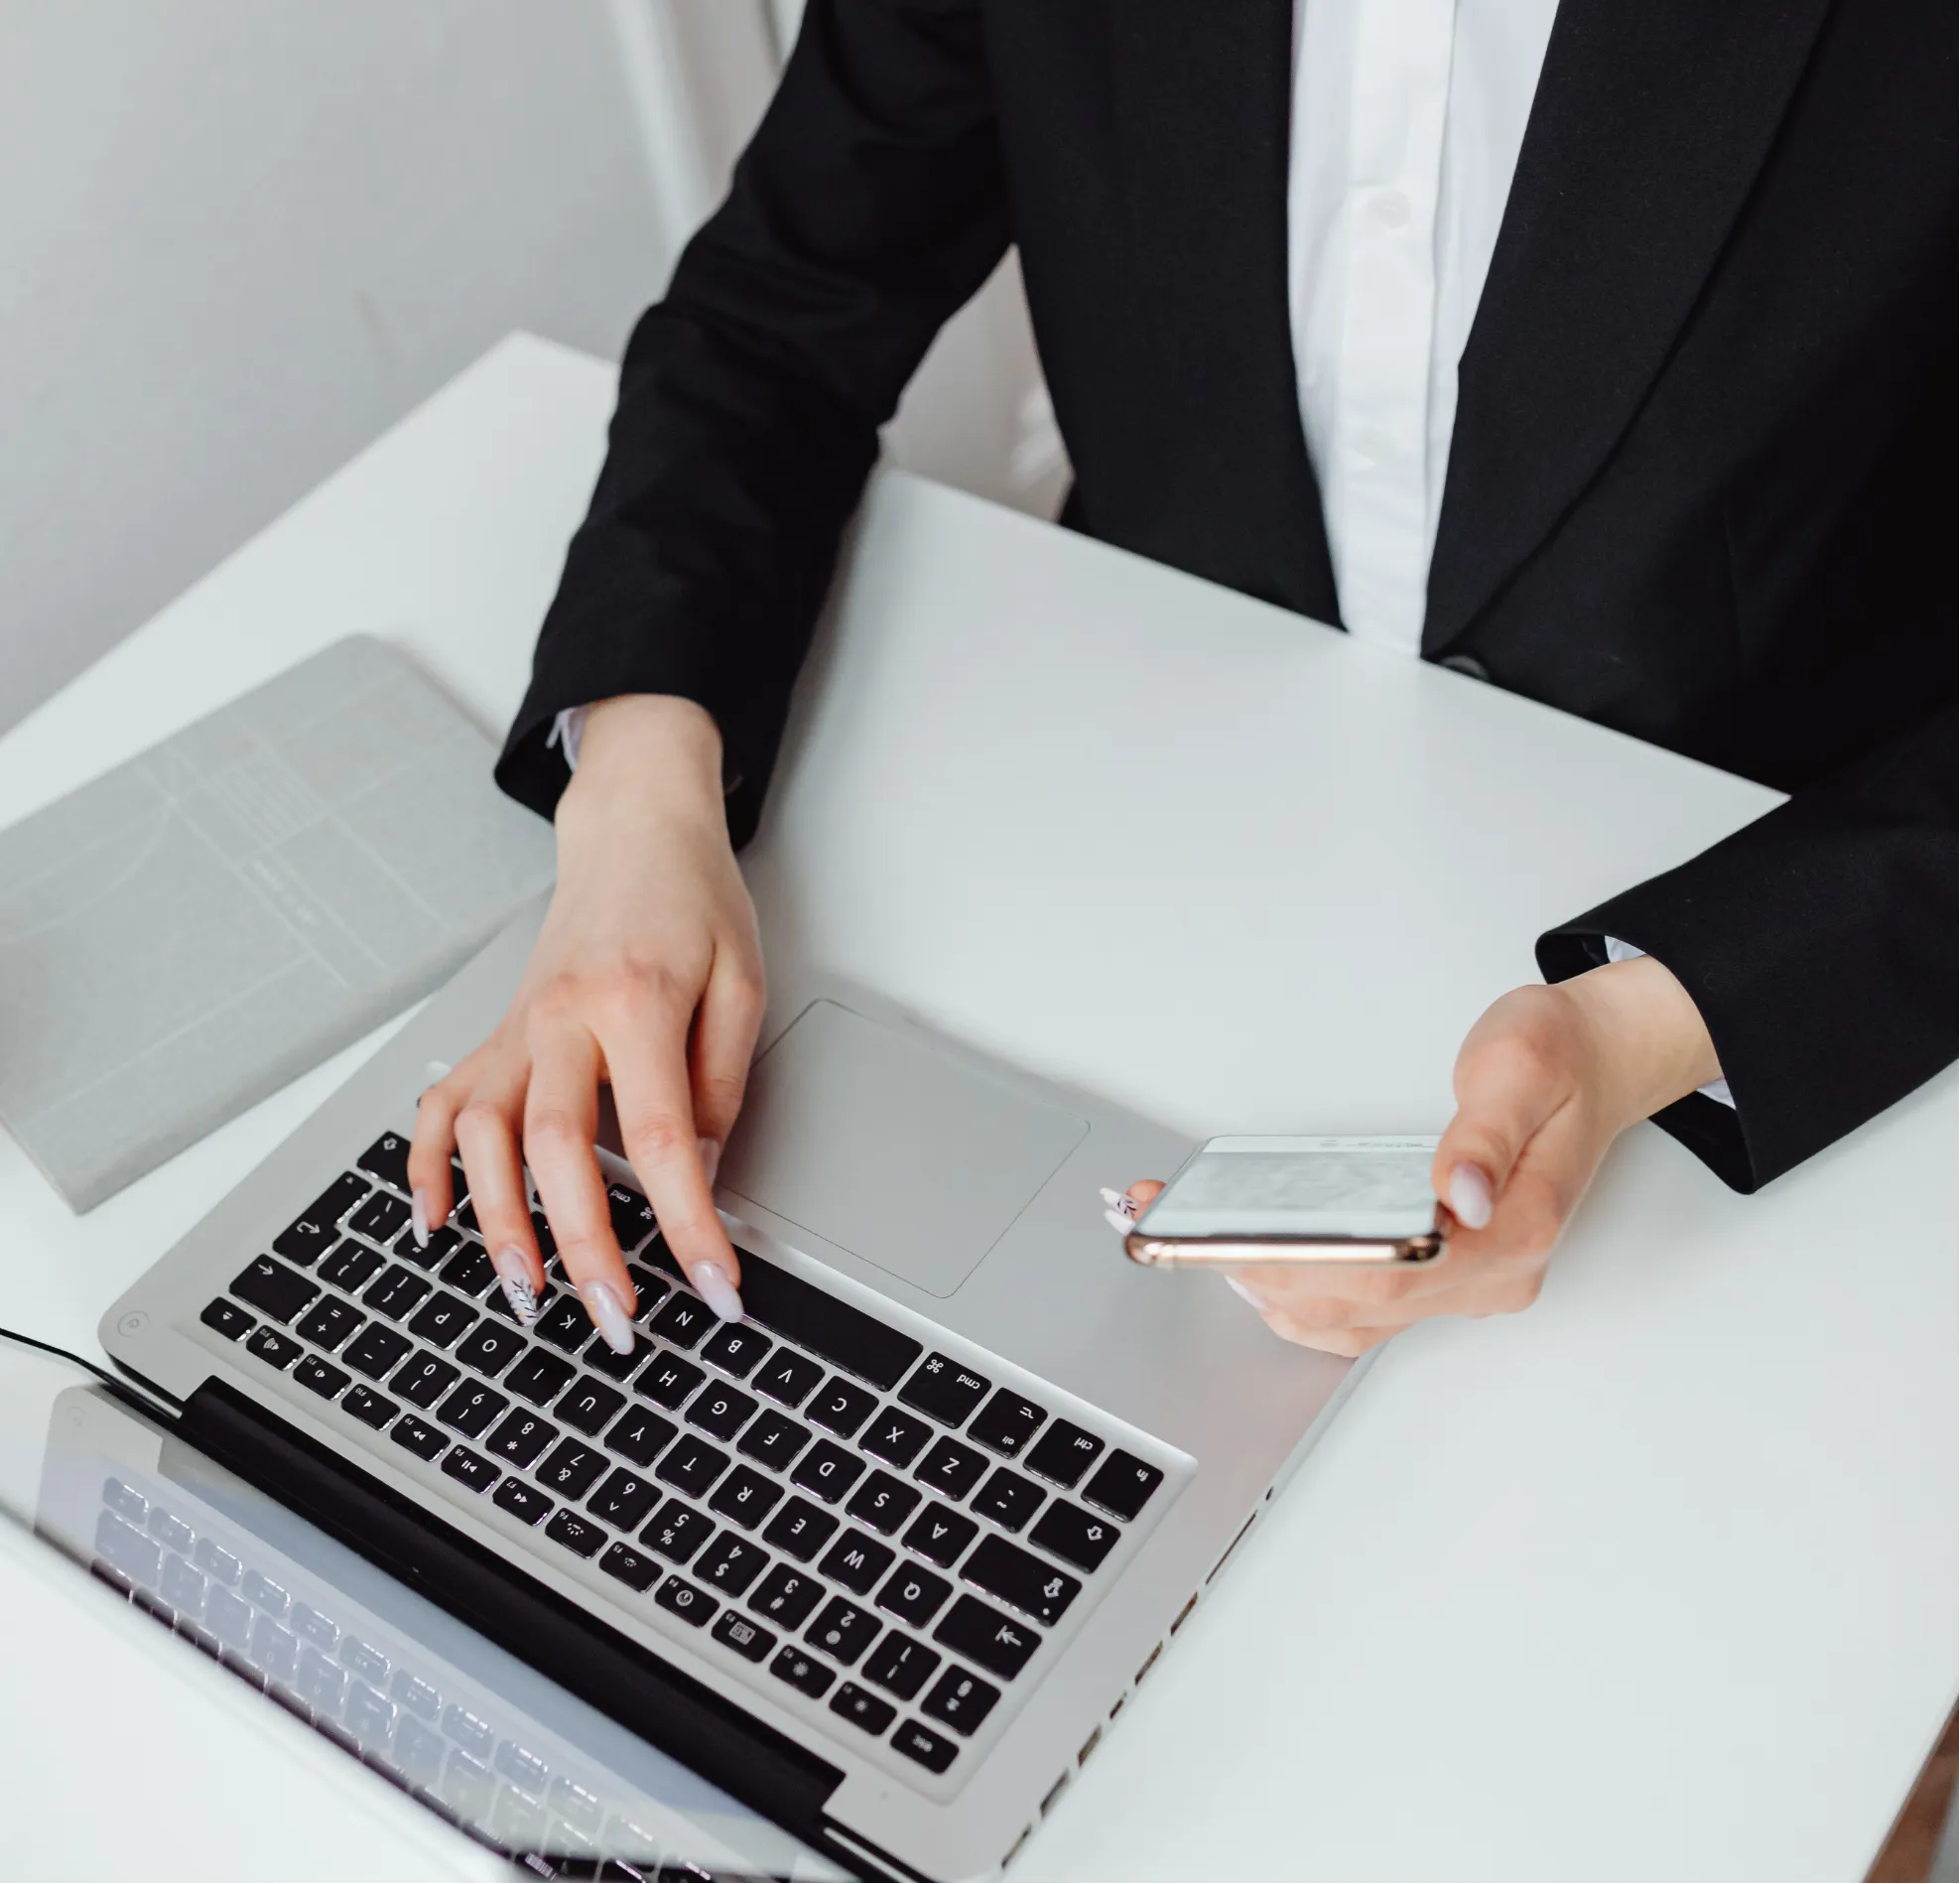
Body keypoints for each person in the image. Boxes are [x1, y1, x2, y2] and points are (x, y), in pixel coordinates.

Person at [408, 0, 1955, 1361]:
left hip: (1785, 938)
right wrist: (636, 812)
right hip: (1135, 852)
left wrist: (1652, 1024)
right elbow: (778, 309)